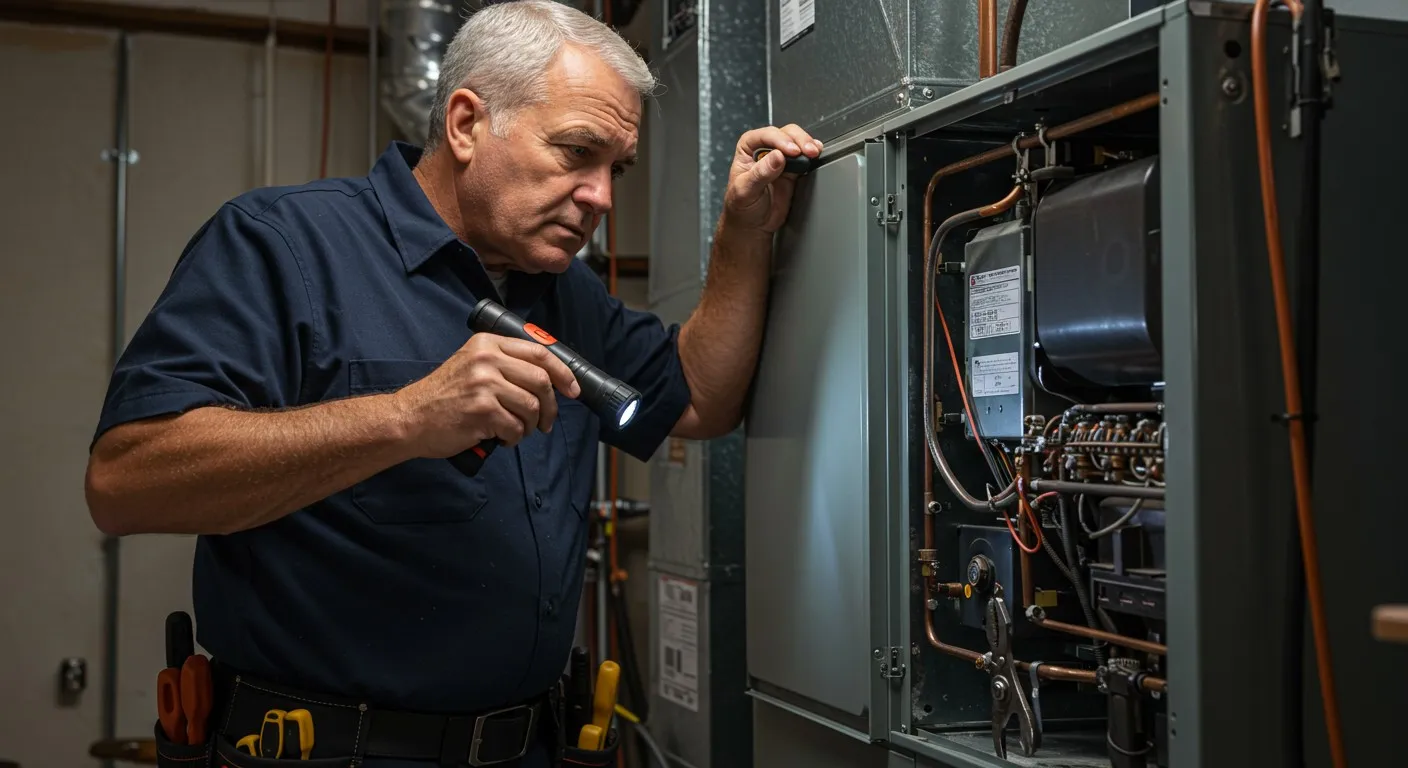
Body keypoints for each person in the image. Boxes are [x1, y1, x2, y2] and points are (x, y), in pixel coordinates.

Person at [83, 1, 819, 766]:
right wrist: (405, 418)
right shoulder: (284, 246)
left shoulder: (564, 292)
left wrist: (742, 233)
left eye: (616, 169)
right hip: (327, 751)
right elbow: (125, 482)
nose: (602, 196)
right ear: (467, 124)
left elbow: (698, 397)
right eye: (577, 152)